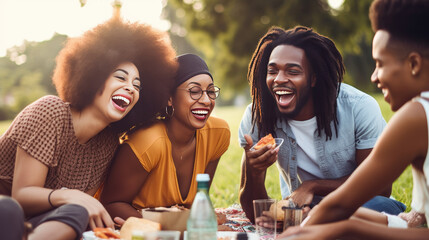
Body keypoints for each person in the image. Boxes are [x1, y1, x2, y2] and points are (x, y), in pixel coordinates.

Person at [0, 17, 177, 240]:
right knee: (11, 211)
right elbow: (21, 196)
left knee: (78, 212)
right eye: (120, 77)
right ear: (93, 75)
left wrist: (115, 225)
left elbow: (78, 206)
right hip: (7, 211)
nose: (130, 88)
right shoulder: (49, 112)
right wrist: (72, 196)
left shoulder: (108, 143)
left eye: (137, 85)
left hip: (32, 225)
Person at [279, 0, 429, 239]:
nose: (374, 77)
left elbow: (341, 205)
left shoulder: (416, 115)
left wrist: (345, 227)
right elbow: (344, 204)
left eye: (380, 64)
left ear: (414, 64)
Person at [238, 25, 406, 222]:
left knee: (378, 208)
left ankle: (313, 223)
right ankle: (311, 224)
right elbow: (253, 213)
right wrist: (254, 172)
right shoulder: (258, 115)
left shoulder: (358, 107)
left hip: (360, 206)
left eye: (292, 71)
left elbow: (380, 188)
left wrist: (313, 186)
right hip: (300, 210)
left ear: (313, 78)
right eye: (272, 71)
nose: (279, 79)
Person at [99, 53, 230, 222]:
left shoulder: (218, 134)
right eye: (195, 91)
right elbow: (111, 204)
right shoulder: (149, 142)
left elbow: (198, 202)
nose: (206, 100)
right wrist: (165, 231)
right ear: (170, 98)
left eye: (211, 91)